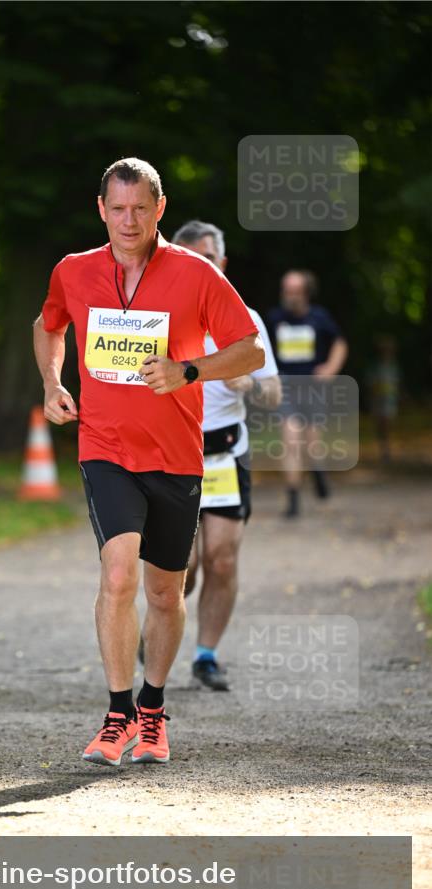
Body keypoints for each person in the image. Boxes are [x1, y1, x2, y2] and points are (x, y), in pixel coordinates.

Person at [33, 157, 264, 766]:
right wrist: (53, 383)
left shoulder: (196, 273)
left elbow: (249, 350)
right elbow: (48, 325)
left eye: (140, 209)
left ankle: (153, 708)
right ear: (101, 209)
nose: (129, 221)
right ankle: (117, 714)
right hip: (105, 448)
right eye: (118, 209)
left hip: (177, 455)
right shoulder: (74, 270)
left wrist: (189, 370)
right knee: (117, 576)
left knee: (165, 591)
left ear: (160, 209)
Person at [172, 221, 281, 691]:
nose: (201, 267)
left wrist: (248, 383)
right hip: (174, 453)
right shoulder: (161, 314)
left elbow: (273, 393)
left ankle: (206, 656)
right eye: (190, 259)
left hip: (224, 454)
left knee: (221, 559)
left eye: (208, 259)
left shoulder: (245, 318)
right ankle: (158, 627)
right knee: (184, 569)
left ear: (223, 263)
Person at [266, 270, 348, 518]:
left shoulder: (319, 317)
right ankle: (293, 498)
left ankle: (317, 470)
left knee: (313, 443)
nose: (290, 296)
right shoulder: (274, 318)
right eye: (286, 290)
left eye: (295, 291)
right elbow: (260, 349)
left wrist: (330, 368)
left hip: (313, 387)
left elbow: (340, 343)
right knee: (291, 442)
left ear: (306, 293)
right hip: (286, 387)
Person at [367, 336, 400, 463]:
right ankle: (384, 448)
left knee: (387, 424)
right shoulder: (375, 367)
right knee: (381, 425)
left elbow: (396, 383)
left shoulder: (393, 367)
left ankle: (386, 448)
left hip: (390, 400)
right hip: (378, 400)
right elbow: (371, 384)